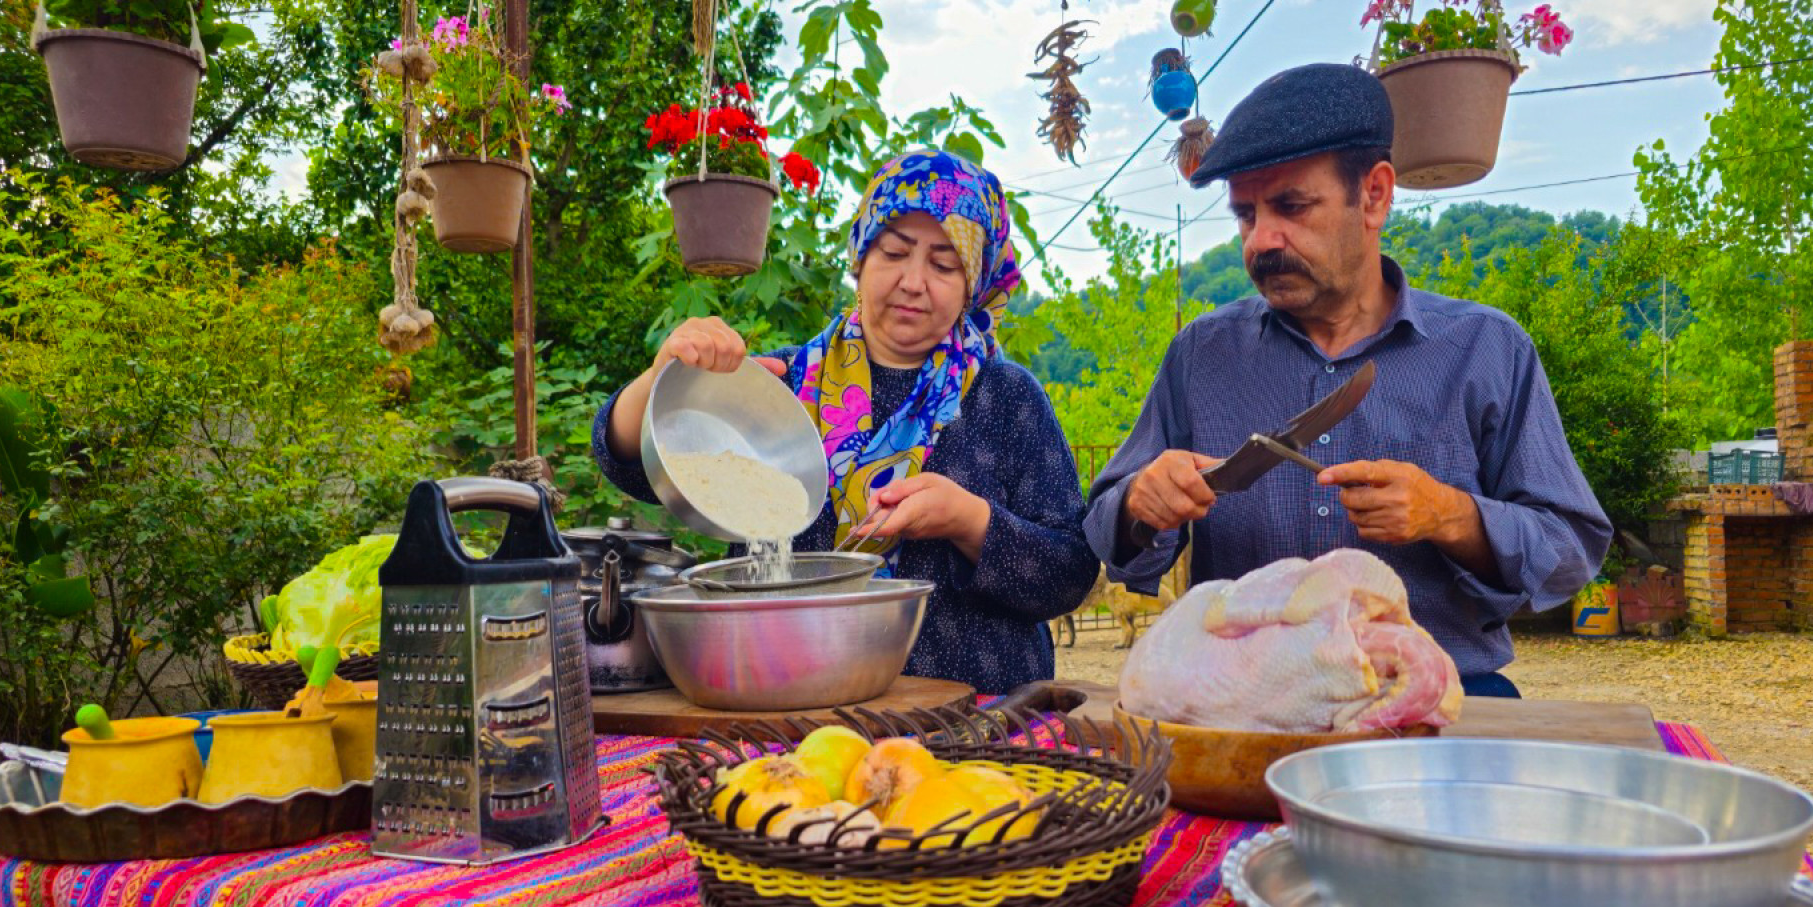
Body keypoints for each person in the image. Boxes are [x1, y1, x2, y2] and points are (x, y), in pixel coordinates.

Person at [1083, 63, 1612, 698]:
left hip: (1437, 699)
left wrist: (1451, 515)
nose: (1261, 241)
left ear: (1376, 195)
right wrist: (1140, 504)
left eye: (1291, 206)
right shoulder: (1202, 354)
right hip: (1246, 703)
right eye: (1245, 214)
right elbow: (1104, 527)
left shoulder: (1484, 349)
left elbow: (1571, 550)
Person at [596, 149, 1099, 695]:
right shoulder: (780, 384)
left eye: (943, 264)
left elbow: (1068, 572)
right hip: (781, 711)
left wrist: (969, 521)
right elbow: (629, 463)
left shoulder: (1005, 398)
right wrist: (660, 380)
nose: (913, 281)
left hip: (975, 729)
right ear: (861, 259)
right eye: (894, 252)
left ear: (973, 284)